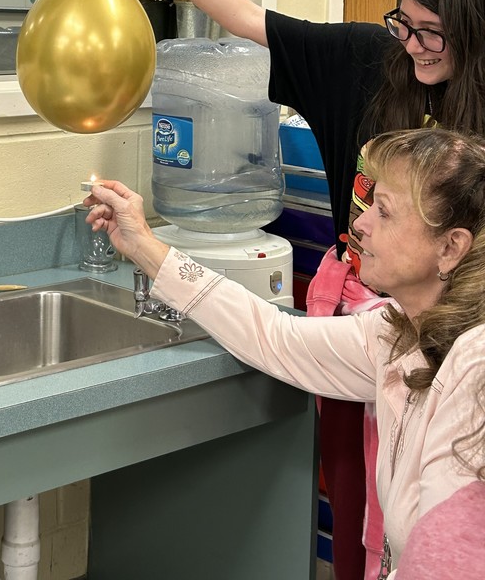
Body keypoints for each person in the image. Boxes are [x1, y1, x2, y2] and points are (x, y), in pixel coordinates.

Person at [86, 0, 485, 580]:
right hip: (380, 317)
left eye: (432, 32)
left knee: (438, 508)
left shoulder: (466, 362)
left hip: (451, 329)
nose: (412, 44)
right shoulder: (366, 64)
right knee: (370, 504)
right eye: (403, 24)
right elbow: (271, 336)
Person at [82, 127, 485, 580]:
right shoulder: (398, 333)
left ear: (450, 247)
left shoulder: (475, 370)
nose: (360, 223)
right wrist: (143, 244)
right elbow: (274, 335)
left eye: (385, 212)